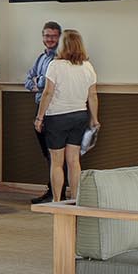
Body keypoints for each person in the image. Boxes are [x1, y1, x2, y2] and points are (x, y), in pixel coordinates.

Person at [34, 28, 100, 204]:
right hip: (79, 116)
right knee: (74, 161)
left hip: (57, 117)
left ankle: (57, 201)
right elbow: (92, 95)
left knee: (57, 162)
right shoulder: (87, 66)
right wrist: (94, 119)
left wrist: (39, 117)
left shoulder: (55, 65)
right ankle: (75, 200)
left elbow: (47, 93)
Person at [23, 21, 63, 203]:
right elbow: (28, 81)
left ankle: (58, 194)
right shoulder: (41, 58)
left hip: (54, 111)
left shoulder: (61, 58)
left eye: (53, 36)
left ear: (59, 37)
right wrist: (37, 82)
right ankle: (52, 190)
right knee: (47, 154)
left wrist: (38, 82)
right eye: (47, 35)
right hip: (40, 109)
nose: (50, 39)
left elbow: (46, 85)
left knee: (56, 155)